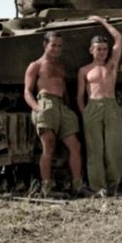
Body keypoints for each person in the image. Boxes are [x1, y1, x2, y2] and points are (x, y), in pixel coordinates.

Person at [24, 31, 85, 197]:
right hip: (45, 103)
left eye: (59, 46)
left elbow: (63, 89)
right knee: (48, 147)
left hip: (61, 106)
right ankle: (47, 187)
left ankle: (77, 185)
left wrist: (68, 107)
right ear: (45, 45)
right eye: (53, 45)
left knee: (75, 146)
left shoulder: (60, 66)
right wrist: (37, 108)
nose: (56, 49)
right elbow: (27, 91)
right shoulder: (35, 65)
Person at [77, 16, 122, 197]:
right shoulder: (84, 70)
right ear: (91, 50)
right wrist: (84, 112)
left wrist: (102, 21)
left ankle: (114, 185)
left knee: (114, 148)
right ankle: (99, 187)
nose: (102, 52)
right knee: (94, 149)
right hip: (93, 106)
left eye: (105, 49)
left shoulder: (111, 65)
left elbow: (119, 39)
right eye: (99, 49)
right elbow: (79, 95)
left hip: (111, 105)